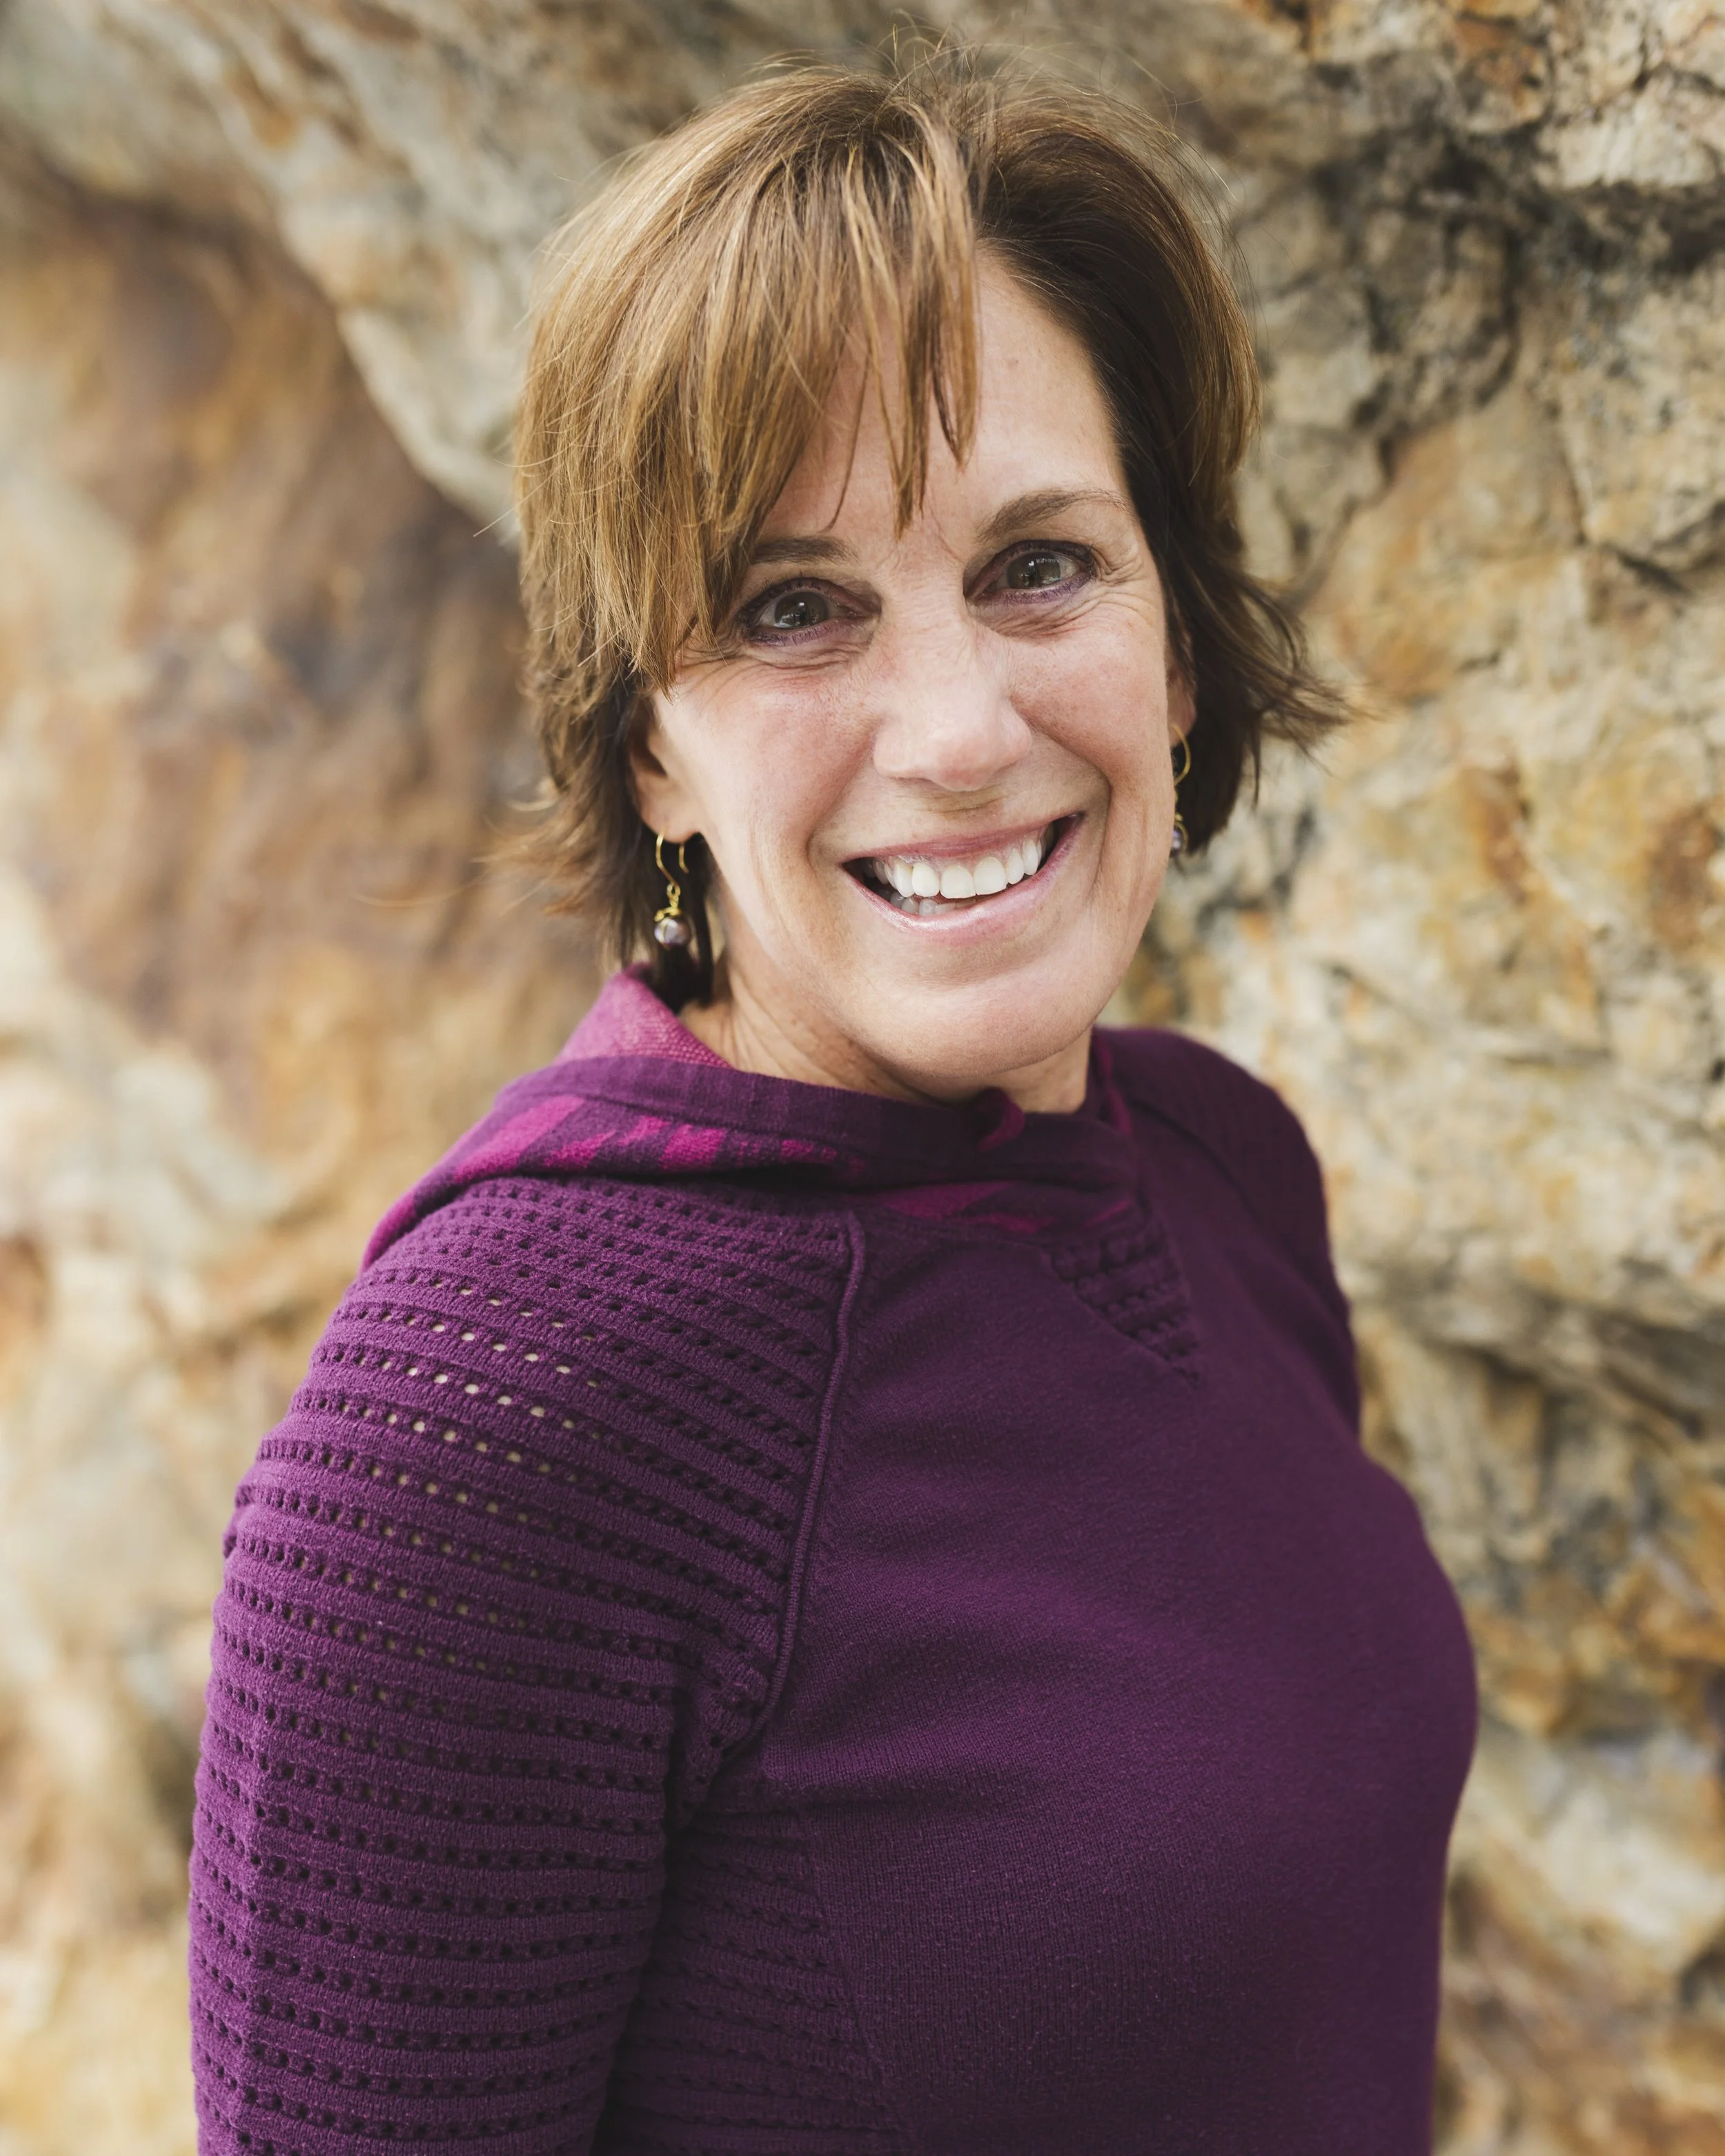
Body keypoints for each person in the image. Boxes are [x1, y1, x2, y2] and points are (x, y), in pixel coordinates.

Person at [187, 48, 1477, 2156]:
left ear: (1170, 638)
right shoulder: (482, 1417)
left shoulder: (1222, 1172)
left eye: (1039, 563)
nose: (960, 727)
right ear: (644, 749)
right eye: (796, 609)